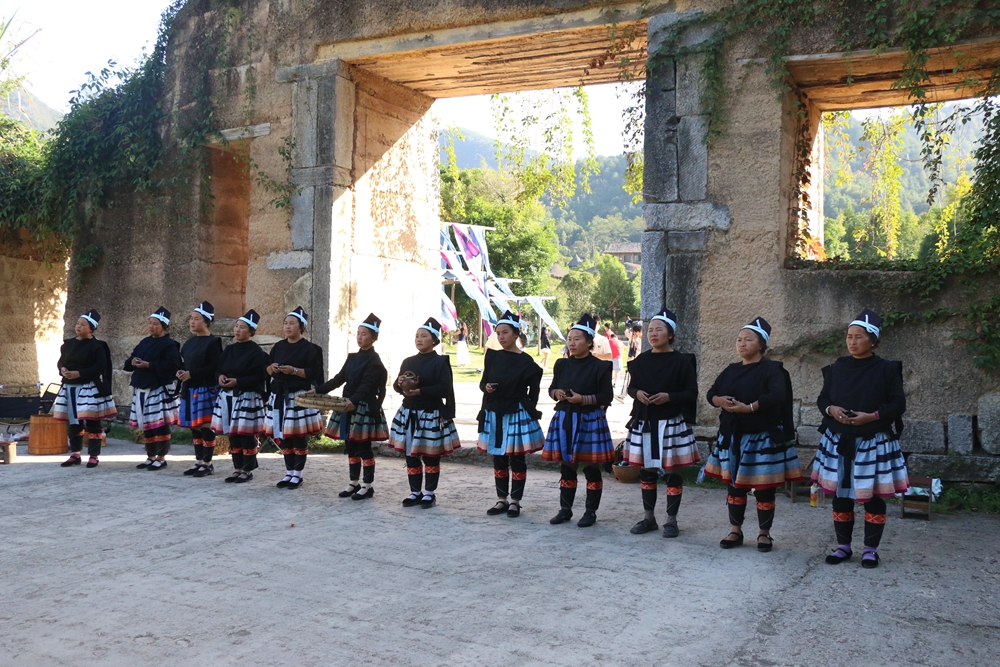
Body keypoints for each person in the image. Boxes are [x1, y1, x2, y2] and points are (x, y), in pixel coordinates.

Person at [811, 309, 909, 569]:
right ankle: (843, 546)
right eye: (849, 336)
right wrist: (831, 410)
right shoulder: (838, 368)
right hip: (839, 440)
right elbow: (823, 399)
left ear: (873, 340)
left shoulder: (887, 370)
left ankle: (870, 550)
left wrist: (872, 416)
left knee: (872, 496)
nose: (852, 342)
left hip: (873, 441)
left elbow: (898, 404)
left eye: (859, 337)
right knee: (842, 495)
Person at [705, 317, 802, 552]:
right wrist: (719, 400)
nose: (742, 343)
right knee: (735, 487)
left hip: (762, 436)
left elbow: (777, 395)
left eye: (748, 339)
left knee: (764, 488)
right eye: (739, 339)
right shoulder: (730, 370)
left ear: (761, 343)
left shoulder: (772, 369)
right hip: (733, 435)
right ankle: (735, 531)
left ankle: (764, 534)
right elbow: (711, 393)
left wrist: (749, 407)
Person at [623, 309, 699, 538]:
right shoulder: (640, 362)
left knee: (671, 472)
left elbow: (691, 393)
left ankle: (671, 521)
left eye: (659, 329)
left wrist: (669, 397)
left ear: (671, 334)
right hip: (645, 422)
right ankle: (649, 518)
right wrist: (637, 394)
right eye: (650, 330)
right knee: (646, 472)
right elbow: (631, 387)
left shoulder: (683, 361)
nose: (653, 334)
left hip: (671, 424)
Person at [542, 313, 615, 527]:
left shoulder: (601, 366)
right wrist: (557, 394)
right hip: (565, 418)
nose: (572, 343)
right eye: (570, 339)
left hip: (590, 420)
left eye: (577, 339)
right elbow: (551, 388)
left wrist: (582, 399)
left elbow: (606, 397)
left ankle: (590, 512)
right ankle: (565, 509)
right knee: (567, 466)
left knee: (591, 468)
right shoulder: (562, 364)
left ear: (590, 342)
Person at [477, 311, 545, 518]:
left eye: (505, 332)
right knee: (498, 457)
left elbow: (534, 392)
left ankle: (515, 501)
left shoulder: (527, 362)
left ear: (516, 334)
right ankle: (501, 499)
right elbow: (483, 382)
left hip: (515, 413)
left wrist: (527, 410)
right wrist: (486, 387)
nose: (501, 337)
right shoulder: (492, 356)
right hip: (494, 412)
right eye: (498, 333)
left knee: (516, 458)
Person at [314, 313, 389, 500]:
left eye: (364, 334)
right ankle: (353, 483)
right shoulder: (353, 357)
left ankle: (367, 485)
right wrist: (318, 390)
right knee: (350, 446)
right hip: (347, 405)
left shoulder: (375, 361)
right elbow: (340, 379)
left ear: (373, 338)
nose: (360, 337)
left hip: (363, 407)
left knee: (364, 447)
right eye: (358, 333)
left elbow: (367, 386)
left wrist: (353, 401)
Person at [389, 317, 461, 508]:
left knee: (430, 454)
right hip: (409, 412)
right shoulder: (408, 361)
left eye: (424, 336)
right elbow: (398, 387)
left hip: (430, 413)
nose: (419, 339)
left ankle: (429, 493)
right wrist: (400, 382)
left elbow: (445, 389)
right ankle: (414, 492)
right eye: (417, 336)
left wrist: (421, 391)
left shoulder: (440, 362)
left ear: (434, 339)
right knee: (411, 454)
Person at [266, 307, 325, 490]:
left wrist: (294, 371)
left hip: (298, 397)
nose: (287, 326)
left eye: (292, 323)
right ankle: (288, 472)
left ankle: (297, 474)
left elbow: (315, 373)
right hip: (279, 396)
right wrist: (272, 368)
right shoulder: (278, 346)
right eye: (285, 323)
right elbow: (266, 370)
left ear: (302, 327)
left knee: (298, 437)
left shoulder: (311, 349)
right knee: (284, 436)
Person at [211, 310, 270, 484]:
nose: (237, 330)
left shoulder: (257, 353)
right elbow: (218, 368)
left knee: (246, 434)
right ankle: (237, 468)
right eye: (236, 326)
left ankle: (248, 469)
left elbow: (260, 377)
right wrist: (220, 377)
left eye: (242, 327)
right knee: (233, 434)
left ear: (251, 332)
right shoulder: (229, 349)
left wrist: (238, 381)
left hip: (247, 396)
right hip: (228, 396)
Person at [53, 309, 117, 468]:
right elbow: (61, 362)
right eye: (77, 324)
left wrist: (80, 373)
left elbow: (101, 366)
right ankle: (75, 454)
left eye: (83, 324)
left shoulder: (98, 346)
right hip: (70, 387)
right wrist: (62, 370)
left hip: (89, 387)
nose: (78, 327)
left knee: (92, 421)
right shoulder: (68, 344)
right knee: (74, 421)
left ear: (91, 328)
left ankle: (94, 455)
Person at [125, 307, 182, 471]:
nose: (151, 326)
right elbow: (130, 360)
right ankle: (150, 456)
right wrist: (133, 361)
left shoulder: (170, 345)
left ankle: (161, 457)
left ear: (164, 326)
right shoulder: (144, 342)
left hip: (158, 389)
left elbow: (172, 366)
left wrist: (149, 365)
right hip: (141, 387)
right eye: (149, 323)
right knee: (147, 424)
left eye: (155, 324)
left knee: (160, 424)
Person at [178, 301, 223, 477]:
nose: (192, 322)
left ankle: (207, 463)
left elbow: (214, 367)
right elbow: (185, 363)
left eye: (196, 319)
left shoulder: (213, 342)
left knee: (205, 427)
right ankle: (198, 462)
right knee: (194, 428)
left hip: (206, 388)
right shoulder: (189, 343)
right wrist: (181, 371)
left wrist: (192, 374)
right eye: (191, 319)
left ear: (206, 321)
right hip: (189, 388)